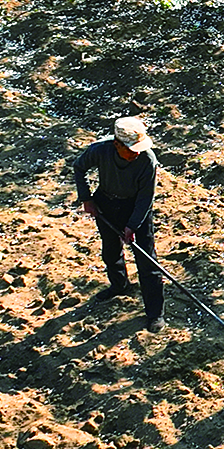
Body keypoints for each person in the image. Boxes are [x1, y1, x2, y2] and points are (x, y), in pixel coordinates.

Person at [74, 116, 165, 332]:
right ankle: (120, 285)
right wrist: (87, 199)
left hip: (136, 209)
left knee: (147, 262)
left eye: (138, 149)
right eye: (131, 150)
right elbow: (79, 167)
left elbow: (146, 198)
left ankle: (155, 313)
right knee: (111, 251)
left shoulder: (147, 161)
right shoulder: (100, 150)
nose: (136, 153)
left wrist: (132, 226)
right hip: (106, 203)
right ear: (117, 144)